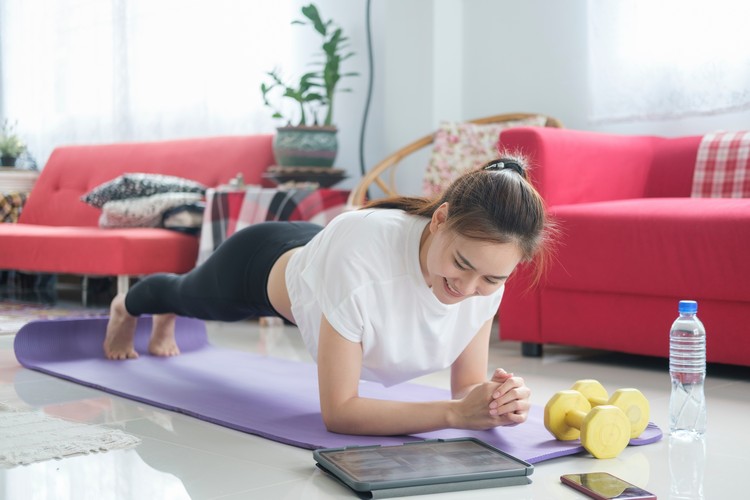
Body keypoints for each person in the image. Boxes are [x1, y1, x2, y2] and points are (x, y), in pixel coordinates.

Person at [104, 153, 554, 437]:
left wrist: (493, 401)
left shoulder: (487, 271)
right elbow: (340, 412)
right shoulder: (363, 260)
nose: (469, 289)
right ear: (439, 221)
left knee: (188, 299)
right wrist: (456, 415)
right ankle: (127, 307)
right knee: (186, 293)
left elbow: (466, 386)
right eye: (461, 264)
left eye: (492, 280)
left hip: (323, 265)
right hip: (260, 265)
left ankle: (166, 313)